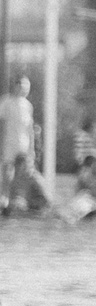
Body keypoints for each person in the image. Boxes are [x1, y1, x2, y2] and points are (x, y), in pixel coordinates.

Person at [0, 75, 39, 215]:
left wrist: (32, 149)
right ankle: (3, 199)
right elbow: (2, 124)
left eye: (26, 86)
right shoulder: (6, 102)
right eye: (22, 85)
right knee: (7, 173)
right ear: (15, 85)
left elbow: (30, 129)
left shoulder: (28, 106)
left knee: (20, 174)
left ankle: (15, 202)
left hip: (23, 144)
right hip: (9, 143)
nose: (24, 89)